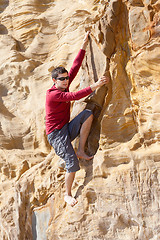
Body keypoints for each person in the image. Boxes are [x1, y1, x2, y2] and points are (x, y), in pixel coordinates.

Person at [45, 31, 109, 207]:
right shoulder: (53, 94)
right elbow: (74, 96)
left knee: (87, 114)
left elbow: (74, 67)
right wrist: (95, 86)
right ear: (54, 81)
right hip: (56, 135)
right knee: (71, 163)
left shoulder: (63, 83)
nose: (66, 81)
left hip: (65, 127)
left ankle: (80, 149)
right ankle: (67, 194)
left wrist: (83, 44)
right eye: (62, 79)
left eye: (66, 79)